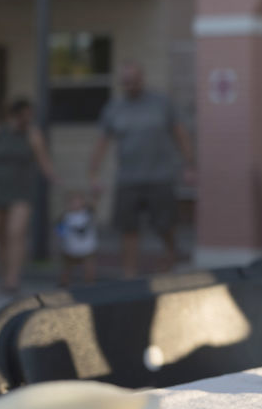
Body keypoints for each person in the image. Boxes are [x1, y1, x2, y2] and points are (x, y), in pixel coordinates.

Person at [88, 62, 194, 278]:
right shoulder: (114, 108)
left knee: (165, 225)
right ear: (121, 83)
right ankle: (129, 274)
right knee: (128, 229)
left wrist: (189, 165)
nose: (131, 85)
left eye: (134, 80)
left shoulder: (161, 103)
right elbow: (102, 143)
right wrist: (94, 173)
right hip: (128, 179)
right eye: (126, 82)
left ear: (142, 79)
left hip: (160, 176)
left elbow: (180, 134)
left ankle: (170, 254)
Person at [0, 99, 56, 292]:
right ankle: (4, 273)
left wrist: (54, 178)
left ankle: (13, 279)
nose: (28, 119)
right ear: (14, 115)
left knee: (16, 232)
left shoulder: (33, 134)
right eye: (25, 115)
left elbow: (43, 161)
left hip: (21, 191)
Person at [57, 189, 99, 287]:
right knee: (67, 267)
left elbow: (95, 204)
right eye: (71, 201)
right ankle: (64, 283)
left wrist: (96, 193)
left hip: (87, 248)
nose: (75, 204)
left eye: (77, 201)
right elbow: (60, 231)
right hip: (70, 248)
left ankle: (90, 283)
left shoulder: (87, 213)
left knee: (89, 266)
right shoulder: (65, 217)